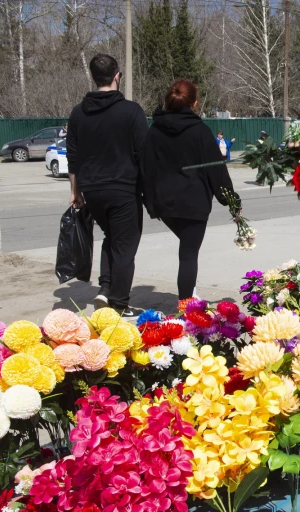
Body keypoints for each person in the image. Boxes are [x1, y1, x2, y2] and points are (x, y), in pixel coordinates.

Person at [142, 79, 239, 302]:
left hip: (164, 203)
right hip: (193, 204)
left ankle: (190, 295)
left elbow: (145, 166)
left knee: (187, 248)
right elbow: (217, 171)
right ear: (194, 103)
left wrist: (149, 200)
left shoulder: (154, 131)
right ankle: (186, 309)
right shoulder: (200, 132)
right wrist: (232, 202)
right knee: (188, 254)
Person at [67, 54, 147, 316]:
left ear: (94, 77)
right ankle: (120, 304)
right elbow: (142, 153)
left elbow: (73, 156)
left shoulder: (79, 113)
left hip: (92, 190)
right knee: (125, 246)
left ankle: (104, 290)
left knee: (111, 238)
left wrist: (75, 191)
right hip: (123, 189)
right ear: (117, 77)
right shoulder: (131, 111)